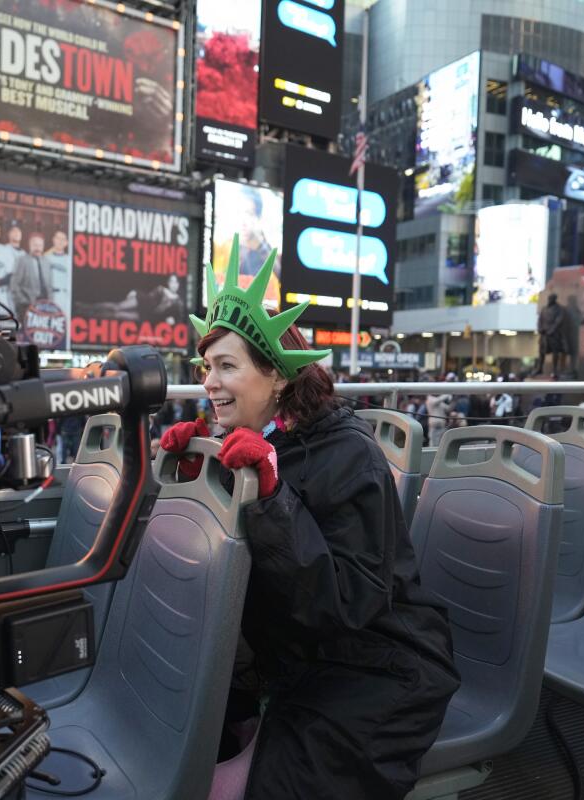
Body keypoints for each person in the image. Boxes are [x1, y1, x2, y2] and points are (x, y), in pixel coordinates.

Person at [164, 237, 458, 799]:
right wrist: (184, 481)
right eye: (206, 367)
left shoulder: (350, 453)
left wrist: (273, 500)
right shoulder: (243, 448)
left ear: (276, 377)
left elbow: (345, 604)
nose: (208, 382)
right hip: (290, 656)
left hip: (378, 668)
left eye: (226, 366)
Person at [11, 233, 52, 325]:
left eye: (40, 245)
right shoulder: (22, 260)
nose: (38, 248)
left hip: (45, 306)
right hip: (26, 306)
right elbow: (14, 285)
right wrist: (24, 303)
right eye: (35, 245)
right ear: (30, 245)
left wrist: (50, 303)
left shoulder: (47, 262)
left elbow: (49, 286)